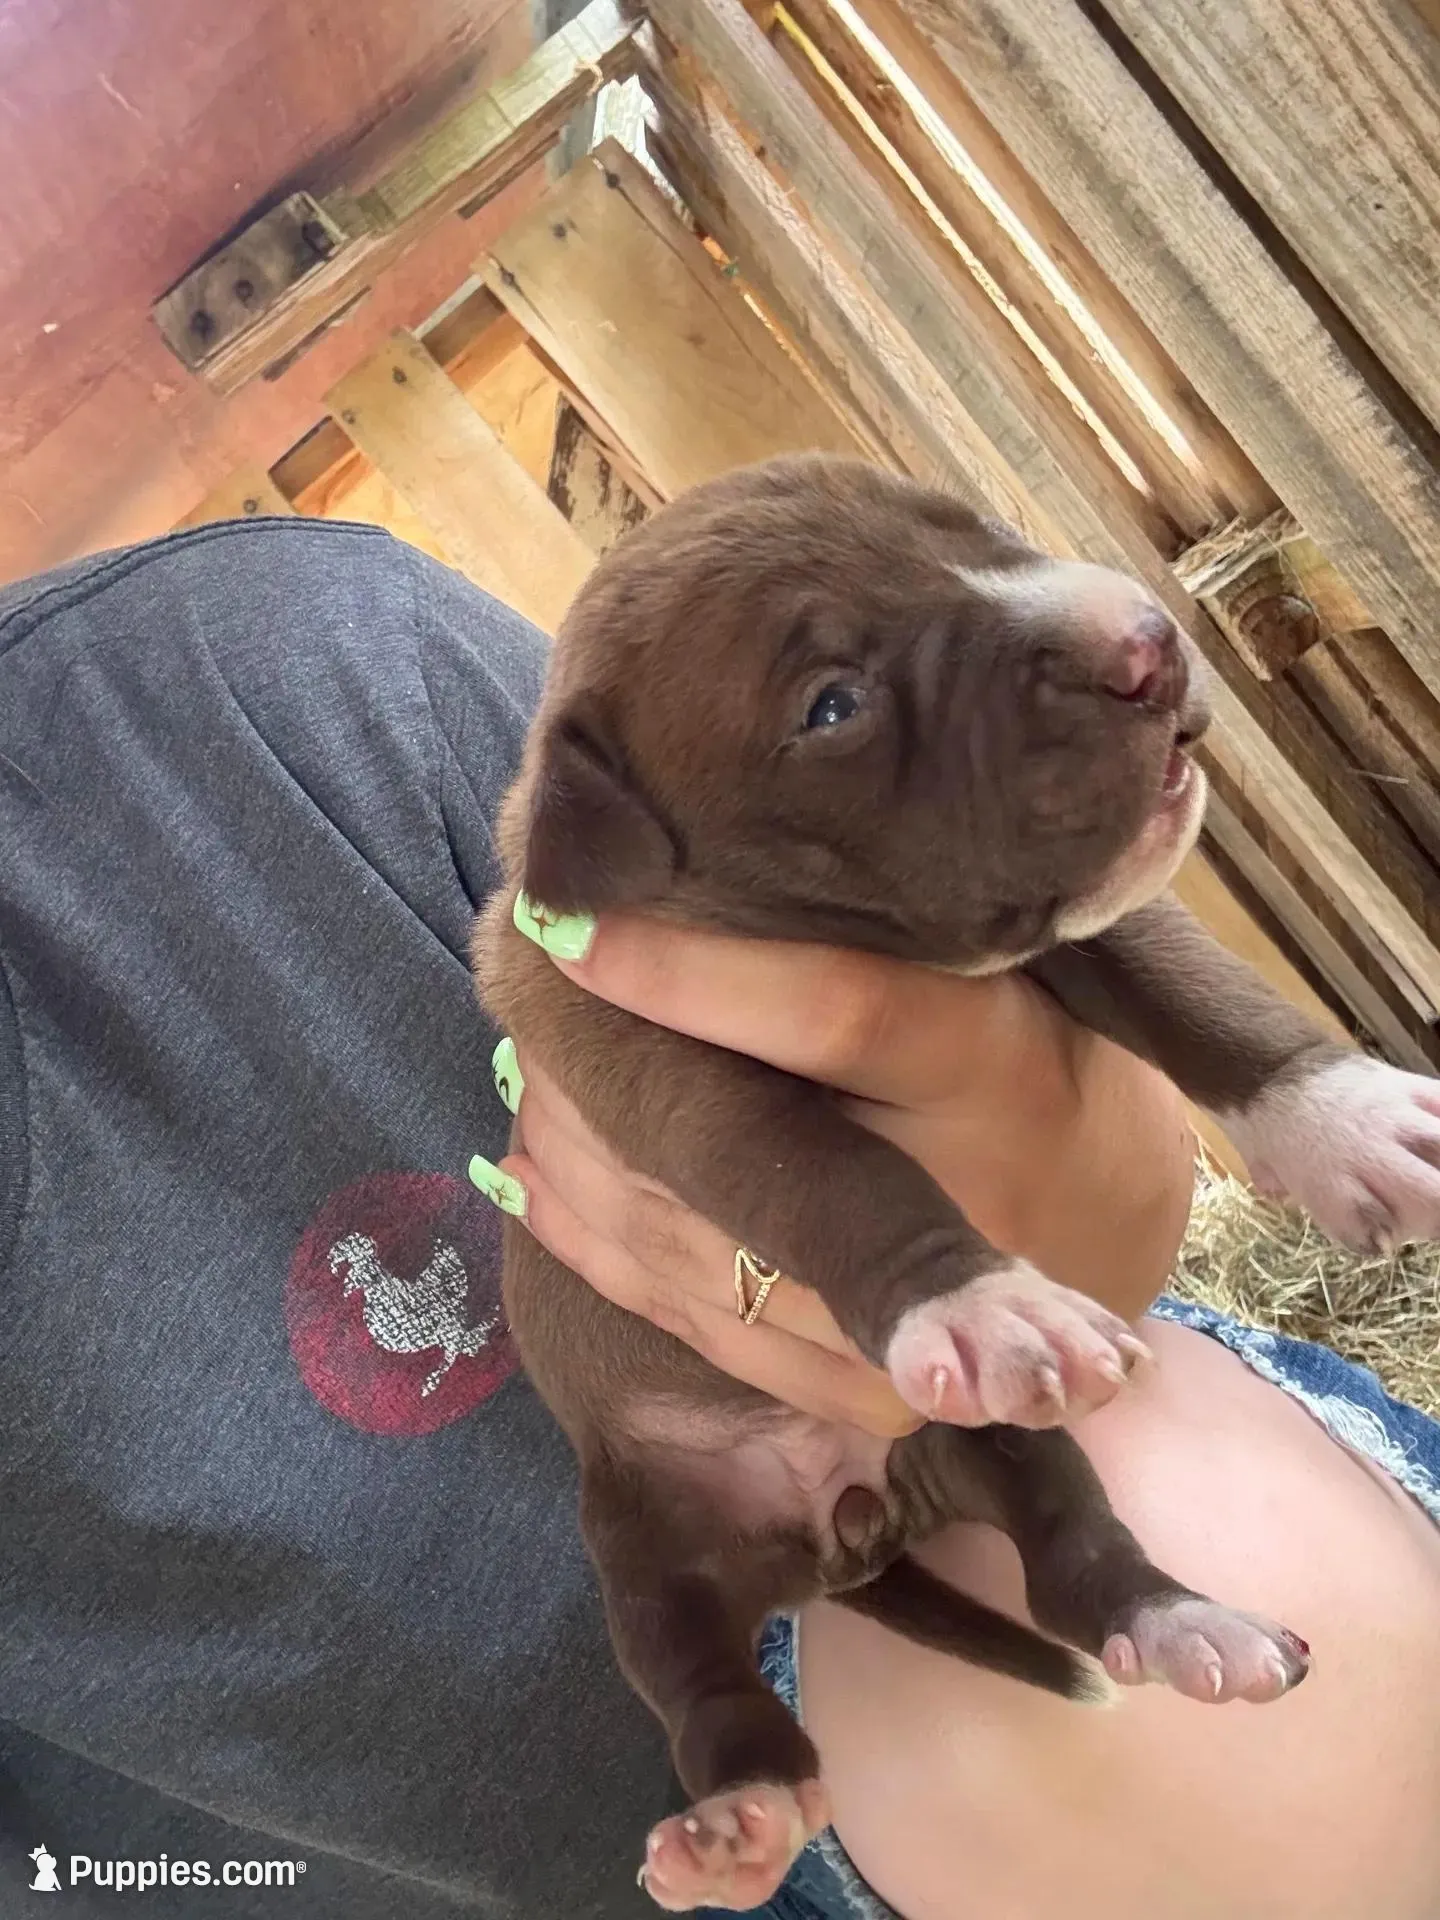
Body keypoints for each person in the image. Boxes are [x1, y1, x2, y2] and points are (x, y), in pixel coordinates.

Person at [0, 519, 1436, 1919]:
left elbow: (1091, 1158)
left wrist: (1079, 1173)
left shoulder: (275, 680)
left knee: (1200, 1601)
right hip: (624, 1805)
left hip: (943, 1584)